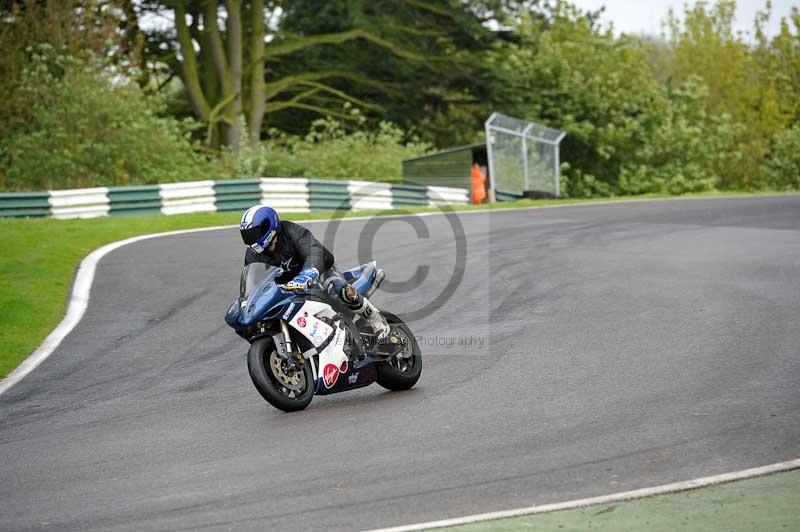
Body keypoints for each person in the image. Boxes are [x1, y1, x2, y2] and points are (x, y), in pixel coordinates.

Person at [239, 204, 390, 339]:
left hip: (318, 272)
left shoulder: (292, 232)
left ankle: (375, 318)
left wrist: (309, 273)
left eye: (255, 233)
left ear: (268, 225)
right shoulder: (253, 254)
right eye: (248, 236)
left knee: (338, 288)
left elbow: (313, 250)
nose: (252, 239)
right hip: (287, 289)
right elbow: (254, 282)